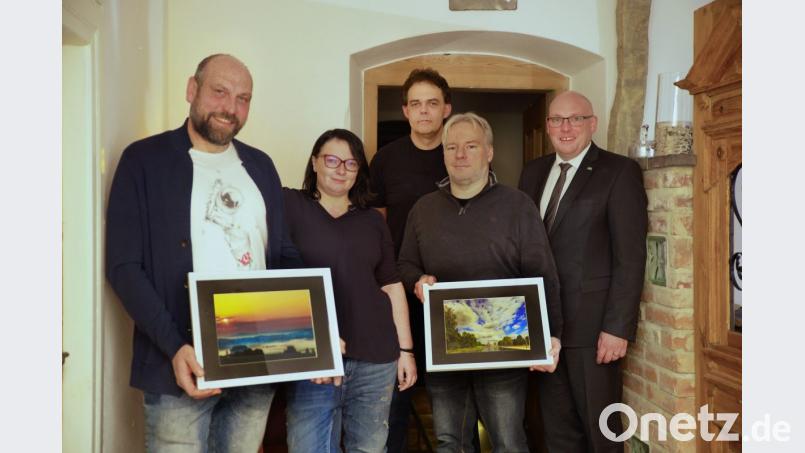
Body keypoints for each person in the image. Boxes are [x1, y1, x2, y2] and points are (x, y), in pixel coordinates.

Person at [106, 54, 302, 452]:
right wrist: (174, 346)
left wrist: (313, 326)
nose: (231, 108)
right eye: (220, 92)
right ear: (192, 89)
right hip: (176, 364)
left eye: (243, 98)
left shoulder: (261, 166)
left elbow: (281, 252)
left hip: (255, 366)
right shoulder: (143, 161)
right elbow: (124, 266)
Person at [398, 112, 563, 453]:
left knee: (508, 442)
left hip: (504, 349)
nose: (460, 155)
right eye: (452, 147)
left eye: (471, 146)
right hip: (444, 349)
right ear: (442, 154)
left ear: (489, 152)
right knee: (450, 442)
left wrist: (552, 335)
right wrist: (417, 279)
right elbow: (406, 263)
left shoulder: (518, 206)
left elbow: (543, 274)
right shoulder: (423, 209)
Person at [518, 91, 648, 453]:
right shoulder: (532, 173)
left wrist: (617, 328)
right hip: (545, 331)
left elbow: (630, 257)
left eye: (575, 119)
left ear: (593, 124)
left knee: (601, 432)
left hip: (594, 334)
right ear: (546, 127)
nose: (565, 127)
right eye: (557, 119)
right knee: (557, 434)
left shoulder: (619, 172)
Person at [283, 129, 417, 453]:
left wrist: (406, 351)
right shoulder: (288, 205)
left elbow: (391, 284)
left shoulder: (373, 220)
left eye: (351, 163)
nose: (341, 169)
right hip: (312, 360)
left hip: (376, 358)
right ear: (315, 162)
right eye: (332, 160)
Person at [369, 67, 452, 452]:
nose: (424, 112)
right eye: (416, 104)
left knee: (452, 399)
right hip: (399, 297)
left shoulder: (459, 155)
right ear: (405, 111)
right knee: (397, 395)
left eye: (432, 103)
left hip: (450, 296)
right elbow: (377, 228)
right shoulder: (386, 161)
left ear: (446, 109)